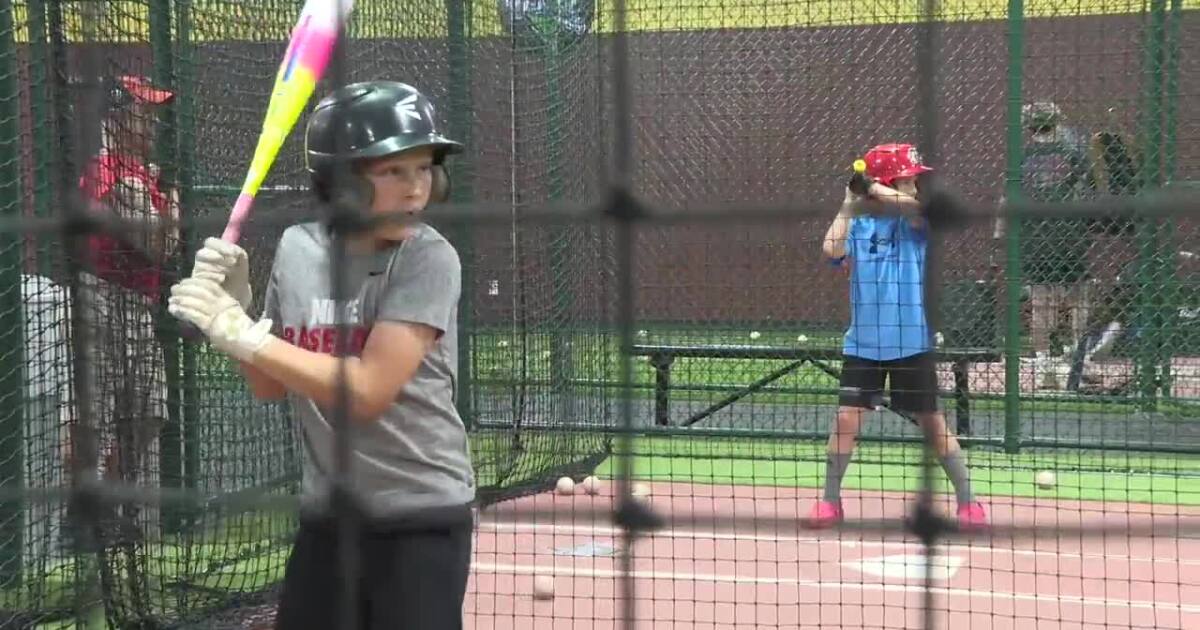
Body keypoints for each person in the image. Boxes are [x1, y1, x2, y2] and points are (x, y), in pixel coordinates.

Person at [167, 81, 475, 629]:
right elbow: (269, 385)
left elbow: (368, 391)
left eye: (425, 169)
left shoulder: (428, 259)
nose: (416, 190)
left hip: (421, 514)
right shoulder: (298, 248)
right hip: (329, 518)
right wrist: (239, 312)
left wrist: (245, 334)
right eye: (392, 172)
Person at [806, 143, 988, 531]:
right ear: (891, 180)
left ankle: (969, 502)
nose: (916, 186)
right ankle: (830, 502)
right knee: (846, 421)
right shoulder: (859, 225)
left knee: (933, 423)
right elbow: (830, 249)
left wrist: (874, 186)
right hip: (864, 346)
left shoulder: (914, 224)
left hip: (911, 344)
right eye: (909, 179)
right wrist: (848, 202)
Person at [66, 74, 180, 548]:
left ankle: (107, 505)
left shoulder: (148, 176)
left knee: (149, 413)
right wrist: (169, 210)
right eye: (142, 111)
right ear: (116, 116)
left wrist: (164, 212)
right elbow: (155, 245)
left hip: (141, 302)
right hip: (101, 296)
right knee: (91, 415)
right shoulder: (106, 172)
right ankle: (84, 516)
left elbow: (166, 247)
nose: (151, 121)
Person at [1007, 102, 1098, 383]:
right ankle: (1077, 355)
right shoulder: (1075, 154)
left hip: (1036, 235)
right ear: (1056, 123)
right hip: (1068, 232)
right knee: (1079, 297)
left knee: (1041, 302)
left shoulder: (1021, 159)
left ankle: (1044, 362)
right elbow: (1090, 191)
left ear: (1029, 127)